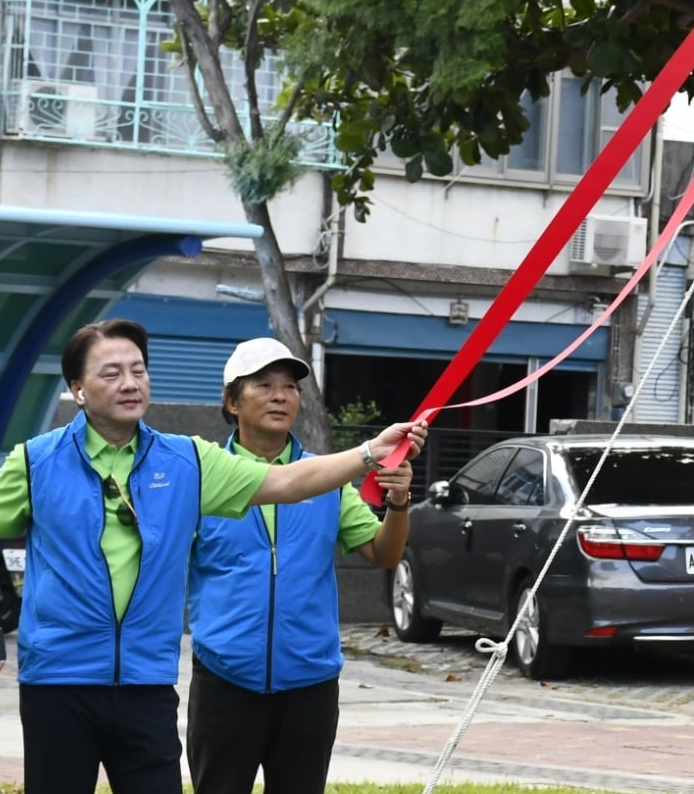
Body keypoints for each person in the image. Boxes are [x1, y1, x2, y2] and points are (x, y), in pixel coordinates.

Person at [0, 319, 426, 794]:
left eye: (139, 370)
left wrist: (371, 451)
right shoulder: (35, 461)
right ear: (77, 389)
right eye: (112, 373)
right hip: (59, 680)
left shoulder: (188, 462)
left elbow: (287, 482)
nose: (130, 383)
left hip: (147, 683)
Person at [186, 338, 416, 794]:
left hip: (310, 683)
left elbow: (383, 554)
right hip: (225, 680)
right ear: (232, 401)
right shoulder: (203, 476)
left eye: (290, 386)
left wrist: (399, 500)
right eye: (264, 385)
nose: (280, 396)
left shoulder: (327, 477)